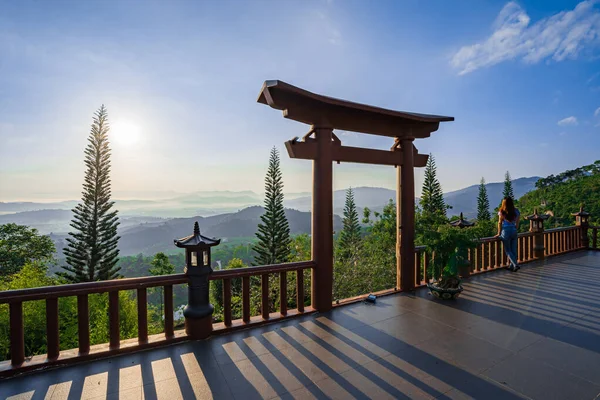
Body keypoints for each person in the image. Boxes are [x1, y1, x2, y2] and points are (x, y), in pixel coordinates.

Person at [495, 197, 520, 271]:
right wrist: (515, 228)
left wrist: (499, 233)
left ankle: (515, 264)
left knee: (508, 250)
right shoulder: (516, 211)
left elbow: (499, 223)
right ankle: (512, 266)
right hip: (514, 230)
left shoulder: (502, 211)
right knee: (513, 250)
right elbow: (517, 222)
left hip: (506, 231)